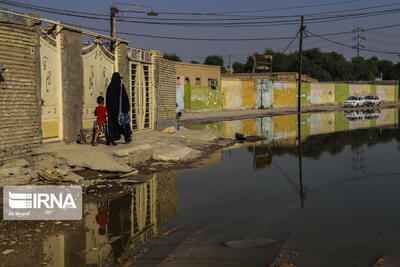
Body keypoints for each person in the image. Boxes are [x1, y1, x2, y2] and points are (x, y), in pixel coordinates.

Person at [106, 72, 132, 146]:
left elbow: (107, 99)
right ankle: (127, 138)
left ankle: (111, 141)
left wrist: (108, 109)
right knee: (123, 124)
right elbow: (124, 98)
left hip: (111, 111)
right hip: (120, 111)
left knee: (112, 125)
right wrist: (126, 108)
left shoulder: (109, 87)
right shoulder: (121, 86)